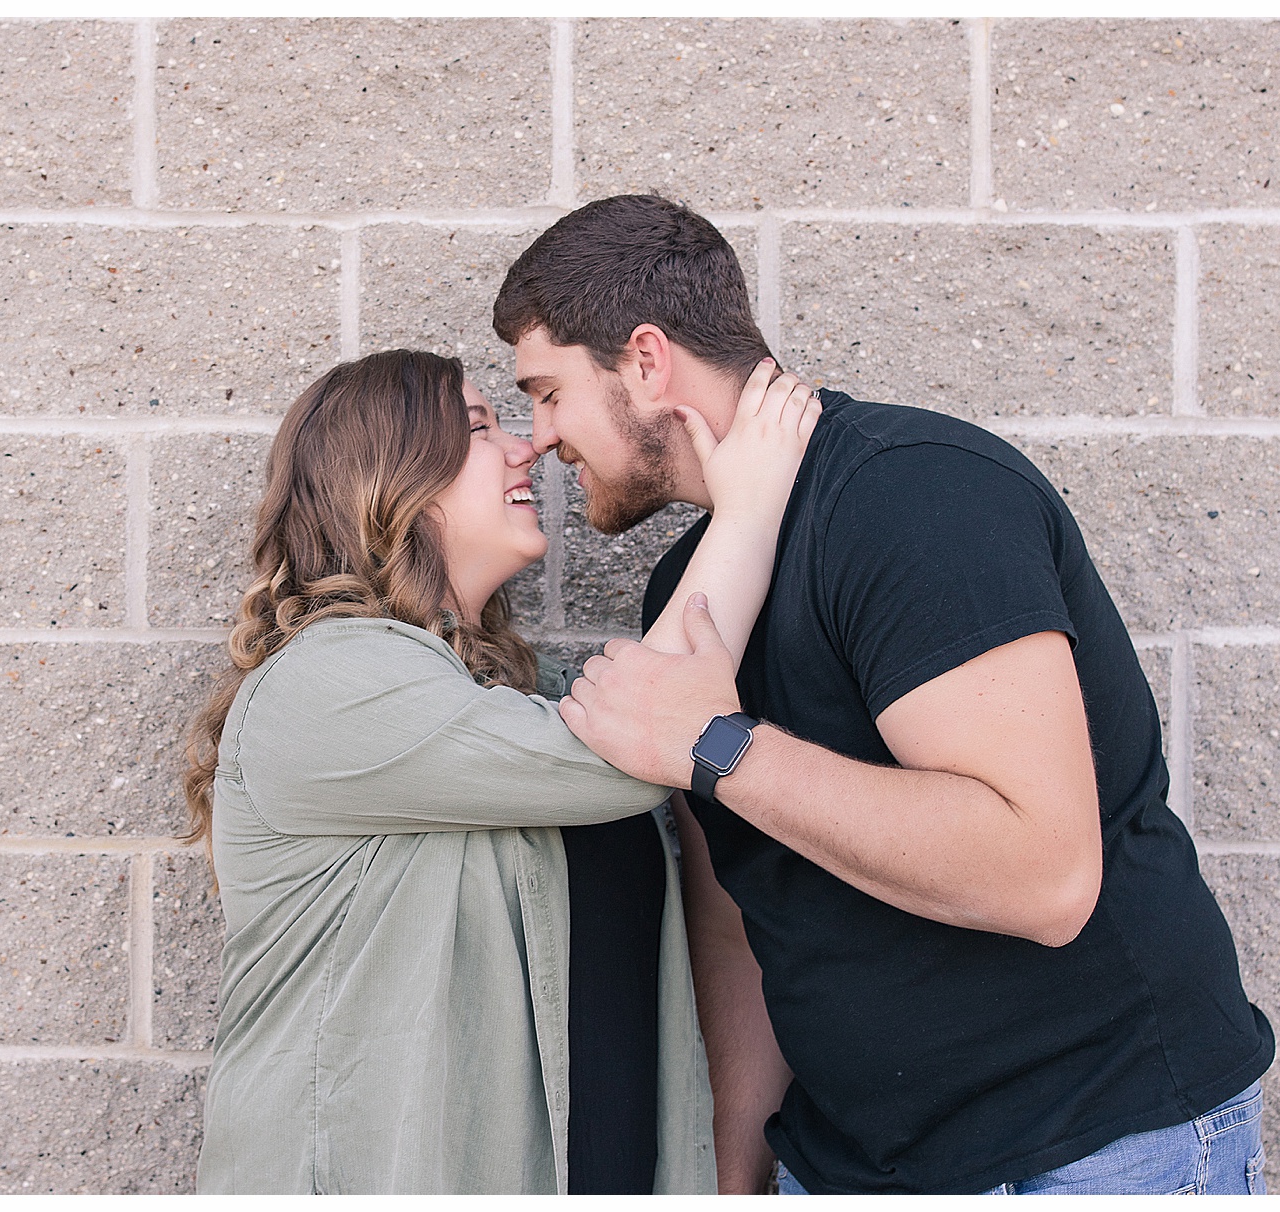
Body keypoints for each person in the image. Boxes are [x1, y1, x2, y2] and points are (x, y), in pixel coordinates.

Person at [492, 195, 1276, 1196]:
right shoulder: (691, 587)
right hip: (851, 1165)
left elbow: (1043, 877)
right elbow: (743, 908)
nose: (540, 436)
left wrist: (721, 743)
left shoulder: (911, 499)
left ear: (646, 361)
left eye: (548, 392)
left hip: (1090, 1150)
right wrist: (741, 1164)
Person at [183, 348, 820, 1194]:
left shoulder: (520, 697)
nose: (527, 448)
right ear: (393, 479)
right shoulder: (326, 684)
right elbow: (643, 747)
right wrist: (751, 509)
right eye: (482, 428)